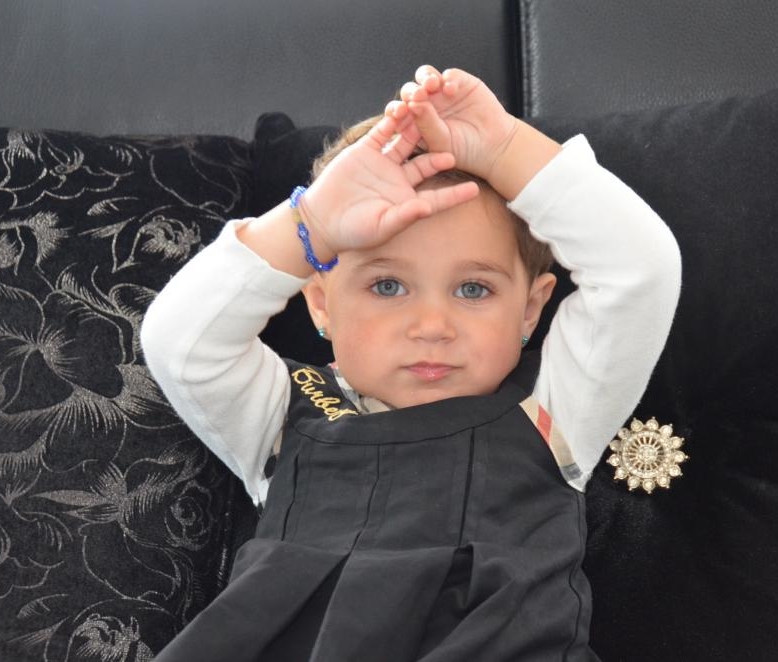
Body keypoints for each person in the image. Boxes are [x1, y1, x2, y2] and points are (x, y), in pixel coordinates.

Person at [142, 65, 681, 661]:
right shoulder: (280, 417)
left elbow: (640, 271)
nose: (432, 326)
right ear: (320, 303)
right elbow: (180, 342)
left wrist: (505, 149)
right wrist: (309, 224)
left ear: (530, 310)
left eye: (473, 289)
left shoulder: (555, 409)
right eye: (388, 286)